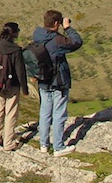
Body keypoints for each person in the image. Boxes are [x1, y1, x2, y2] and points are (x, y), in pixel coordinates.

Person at [33, 10, 82, 157]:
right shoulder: (57, 40)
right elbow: (76, 42)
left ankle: (44, 144)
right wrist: (68, 28)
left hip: (43, 80)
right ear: (56, 23)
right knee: (59, 113)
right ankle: (58, 147)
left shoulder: (37, 35)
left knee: (44, 113)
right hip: (57, 81)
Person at [0, 22, 29, 151]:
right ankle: (9, 142)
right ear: (14, 33)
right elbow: (20, 71)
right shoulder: (15, 50)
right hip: (12, 85)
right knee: (11, 113)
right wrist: (25, 88)